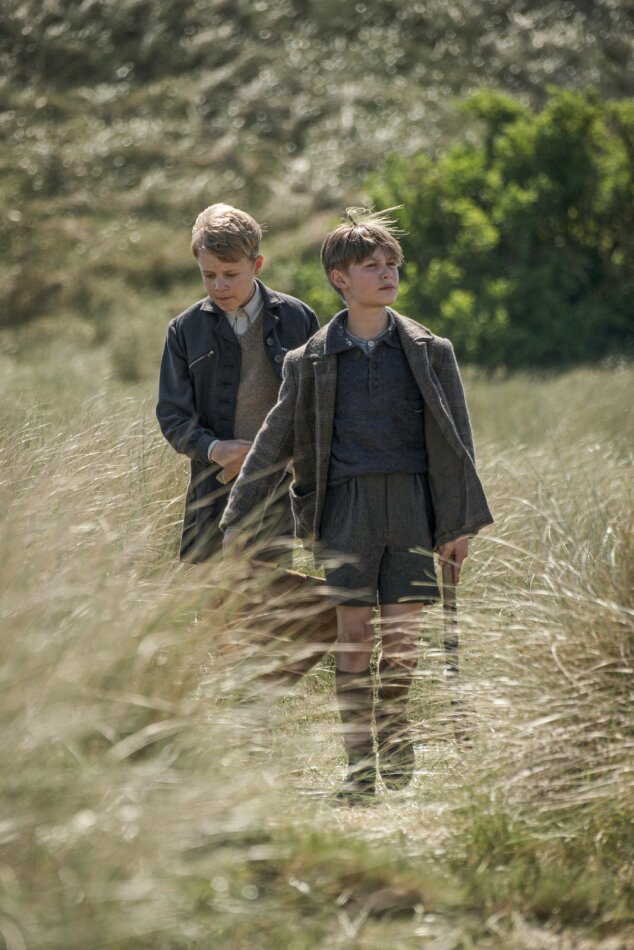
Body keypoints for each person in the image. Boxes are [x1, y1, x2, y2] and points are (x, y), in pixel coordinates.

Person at [220, 208, 493, 803]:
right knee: (354, 637)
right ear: (339, 278)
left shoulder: (431, 351)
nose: (387, 273)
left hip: (413, 510)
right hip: (344, 512)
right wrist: (236, 520)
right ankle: (359, 767)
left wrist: (459, 524)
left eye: (392, 263)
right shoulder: (309, 361)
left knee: (402, 641)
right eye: (372, 265)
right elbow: (271, 444)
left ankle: (395, 744)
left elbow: (458, 445)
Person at [156, 203, 320, 562]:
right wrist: (215, 449)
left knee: (273, 591)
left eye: (230, 274)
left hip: (281, 490)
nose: (219, 285)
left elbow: (318, 404)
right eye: (209, 275)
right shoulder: (184, 330)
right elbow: (172, 415)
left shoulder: (299, 318)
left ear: (257, 265)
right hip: (213, 490)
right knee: (211, 594)